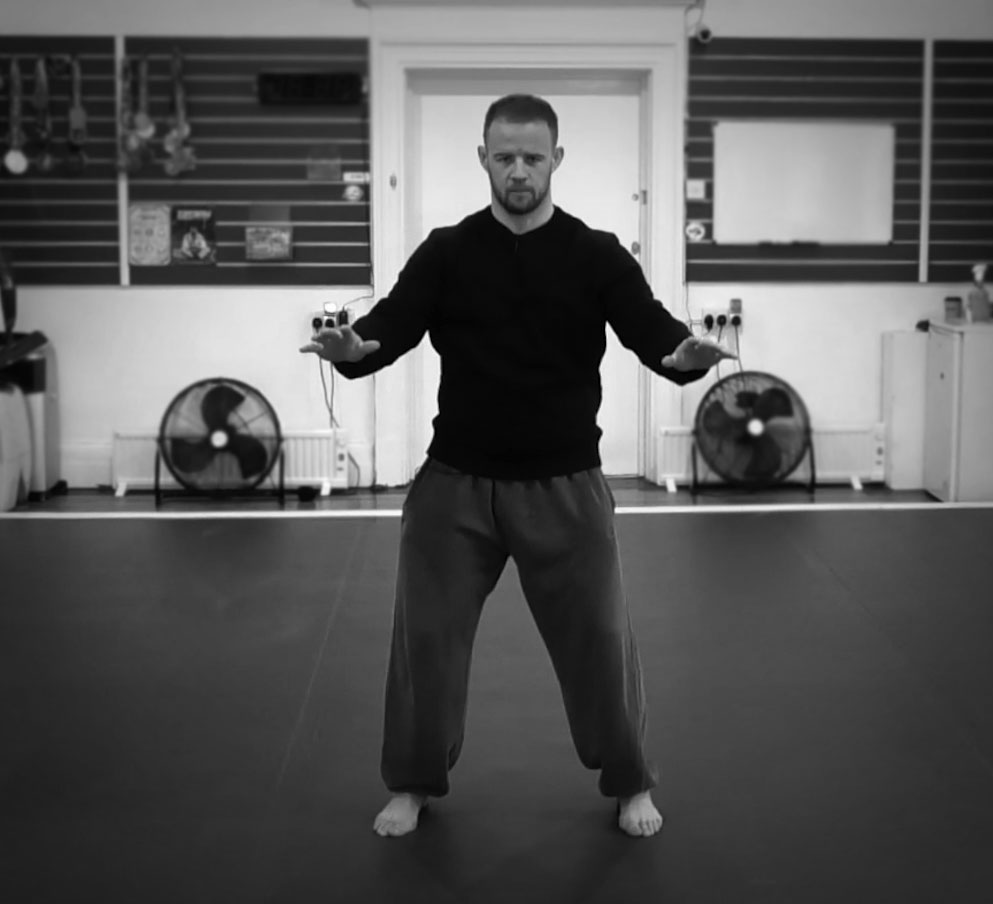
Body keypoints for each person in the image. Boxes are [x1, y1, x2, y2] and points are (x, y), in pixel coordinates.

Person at [300, 94, 730, 839]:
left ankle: (630, 781)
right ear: (484, 160)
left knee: (601, 643)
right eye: (505, 157)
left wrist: (685, 357)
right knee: (426, 644)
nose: (519, 171)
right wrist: (351, 350)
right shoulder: (447, 251)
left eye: (533, 157)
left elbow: (653, 331)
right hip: (454, 485)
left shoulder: (596, 254)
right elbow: (387, 327)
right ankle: (413, 783)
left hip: (565, 486)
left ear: (556, 159)